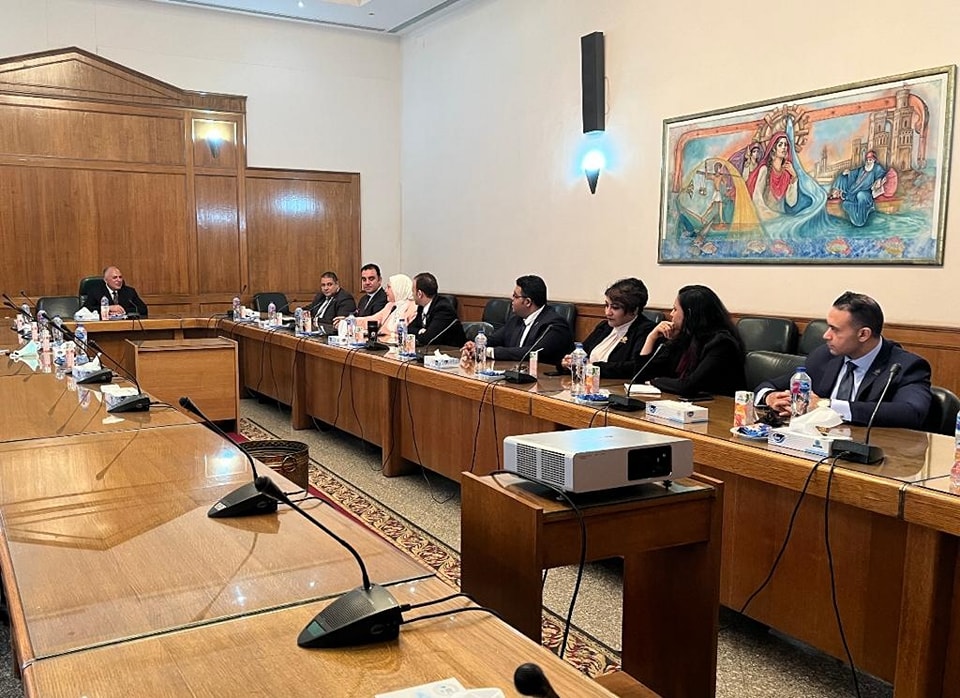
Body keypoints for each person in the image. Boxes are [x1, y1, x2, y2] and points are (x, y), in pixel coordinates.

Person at [755, 291, 931, 428]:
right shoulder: (824, 356)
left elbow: (912, 412)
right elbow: (770, 385)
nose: (826, 335)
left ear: (863, 334)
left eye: (835, 329)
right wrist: (770, 397)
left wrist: (827, 406)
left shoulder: (905, 366)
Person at [634, 284, 745, 396]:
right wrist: (651, 338)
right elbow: (640, 374)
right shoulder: (685, 338)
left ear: (690, 314)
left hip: (719, 404)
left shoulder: (722, 343)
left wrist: (655, 381)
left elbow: (688, 386)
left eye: (675, 309)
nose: (671, 314)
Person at [461, 275, 573, 365]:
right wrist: (476, 345)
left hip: (545, 381)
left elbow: (533, 352)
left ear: (527, 302)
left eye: (515, 296)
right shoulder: (516, 320)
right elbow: (494, 339)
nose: (512, 299)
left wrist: (489, 352)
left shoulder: (554, 325)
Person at [558, 278, 656, 379]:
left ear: (634, 310)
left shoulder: (646, 330)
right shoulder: (604, 327)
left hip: (615, 386)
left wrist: (593, 367)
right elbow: (581, 352)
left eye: (615, 307)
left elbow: (633, 367)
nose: (608, 312)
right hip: (587, 383)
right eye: (606, 305)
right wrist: (569, 362)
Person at [829, 150, 888, 227]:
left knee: (860, 195)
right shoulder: (862, 168)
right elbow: (855, 172)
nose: (868, 162)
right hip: (855, 188)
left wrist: (879, 180)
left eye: (870, 160)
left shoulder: (877, 168)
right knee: (843, 176)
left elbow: (883, 175)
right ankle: (835, 194)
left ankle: (859, 219)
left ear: (874, 160)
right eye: (867, 160)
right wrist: (849, 172)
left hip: (866, 193)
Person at [407, 272, 466, 347]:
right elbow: (409, 329)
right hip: (431, 350)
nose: (412, 294)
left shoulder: (443, 309)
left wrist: (421, 334)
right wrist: (420, 331)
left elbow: (428, 339)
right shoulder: (422, 307)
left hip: (451, 351)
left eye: (413, 291)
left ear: (419, 294)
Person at [82, 266, 148, 318]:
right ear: (106, 280)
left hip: (125, 326)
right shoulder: (96, 291)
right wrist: (109, 308)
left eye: (120, 277)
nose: (119, 280)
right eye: (115, 277)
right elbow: (85, 309)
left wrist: (122, 311)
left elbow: (143, 309)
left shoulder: (129, 291)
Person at [368, 273, 418, 339]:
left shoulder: (413, 307)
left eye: (389, 287)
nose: (385, 290)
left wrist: (389, 335)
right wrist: (355, 320)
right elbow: (374, 319)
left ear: (398, 288)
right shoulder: (390, 305)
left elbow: (409, 332)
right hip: (383, 343)